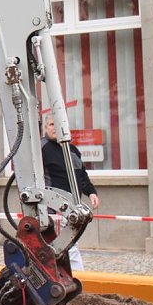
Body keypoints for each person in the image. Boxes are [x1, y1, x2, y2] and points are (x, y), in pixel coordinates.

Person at [41, 113, 100, 271]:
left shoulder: (72, 150)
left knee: (68, 247)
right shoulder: (41, 149)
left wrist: (91, 192)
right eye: (52, 124)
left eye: (58, 124)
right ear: (46, 127)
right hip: (53, 210)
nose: (55, 128)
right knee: (68, 248)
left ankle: (69, 280)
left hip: (72, 208)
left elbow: (81, 176)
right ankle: (76, 280)